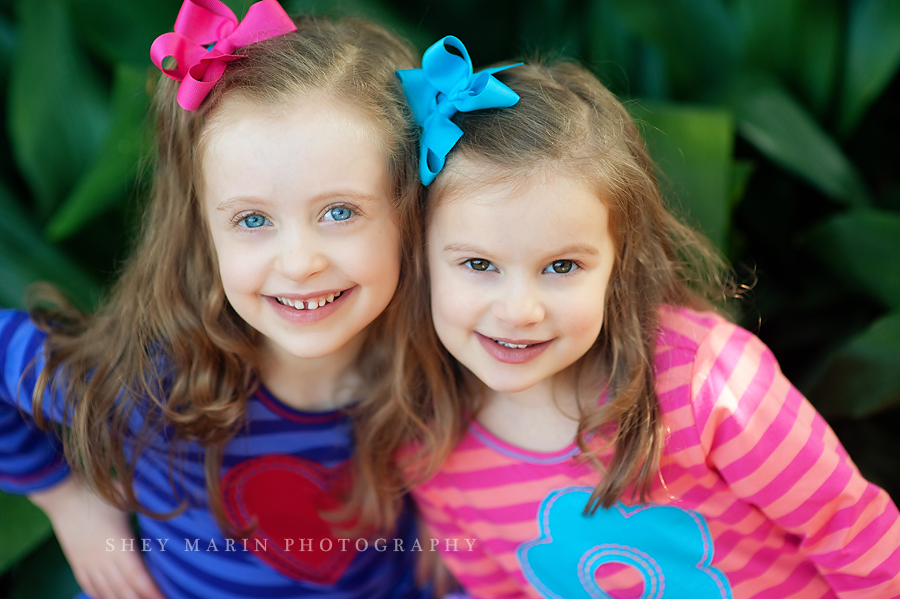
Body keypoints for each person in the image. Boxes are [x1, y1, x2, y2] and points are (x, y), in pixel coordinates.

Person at [354, 36, 900, 598]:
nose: (520, 310)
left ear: (619, 261)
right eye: (478, 263)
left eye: (562, 265)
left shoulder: (705, 386)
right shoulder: (430, 444)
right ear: (416, 259)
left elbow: (854, 532)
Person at [0, 2, 429, 598]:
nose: (300, 261)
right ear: (203, 229)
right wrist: (68, 503)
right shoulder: (149, 388)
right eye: (253, 220)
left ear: (412, 212)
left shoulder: (444, 375)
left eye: (340, 212)